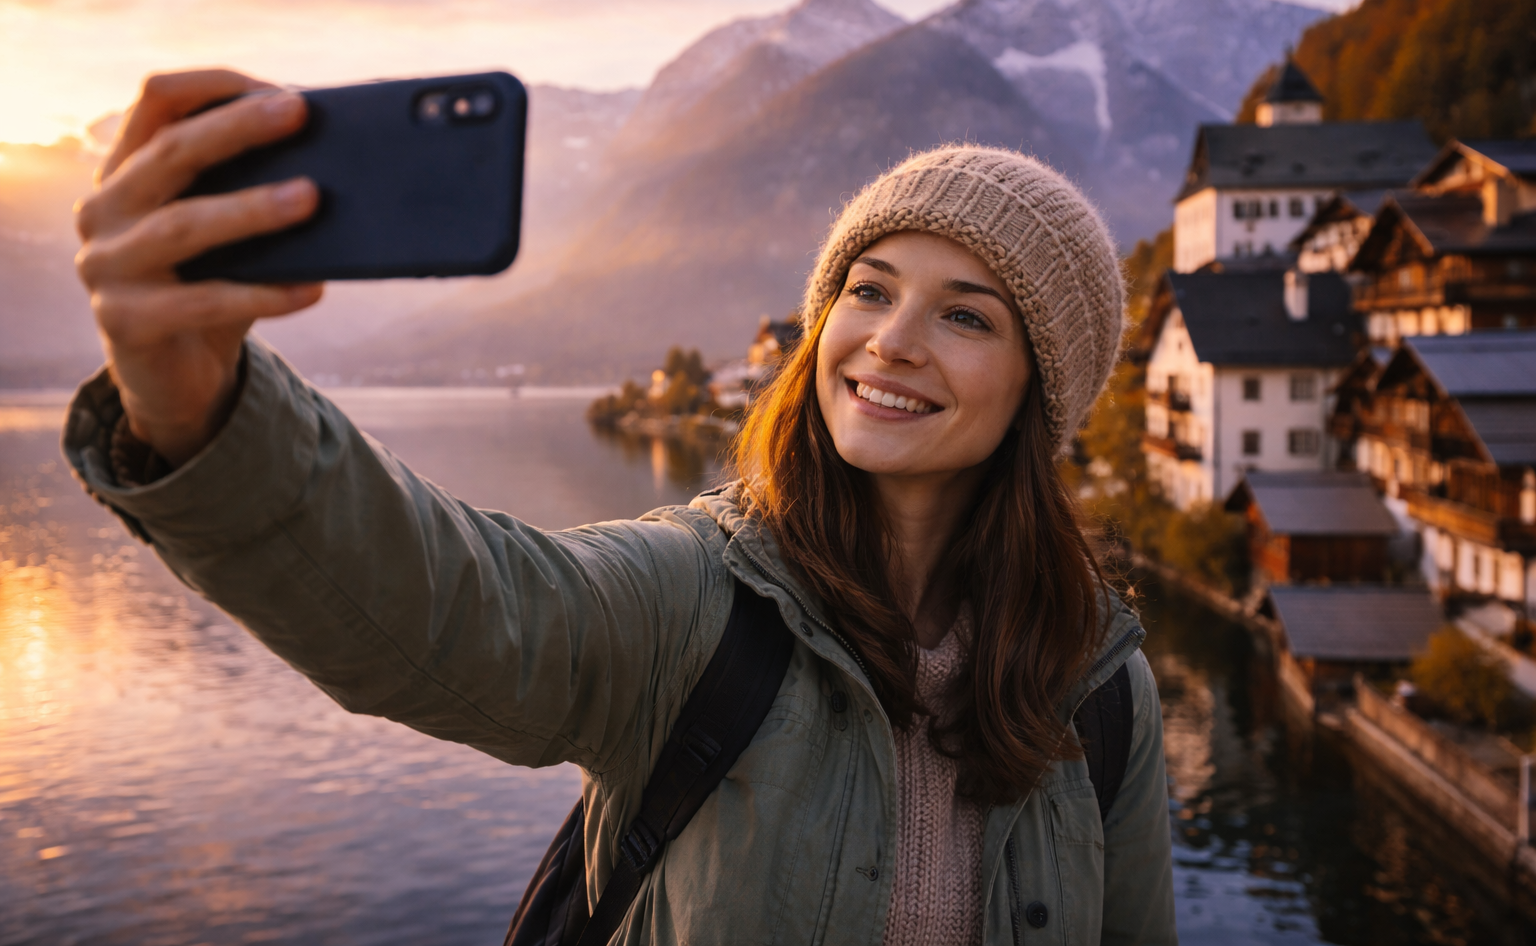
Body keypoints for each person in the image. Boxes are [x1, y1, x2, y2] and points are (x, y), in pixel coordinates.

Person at [65, 70, 1177, 945]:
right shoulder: (701, 601)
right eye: (868, 288)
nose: (890, 338)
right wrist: (204, 407)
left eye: (967, 317)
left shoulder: (1094, 682)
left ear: (1043, 387)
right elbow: (450, 606)